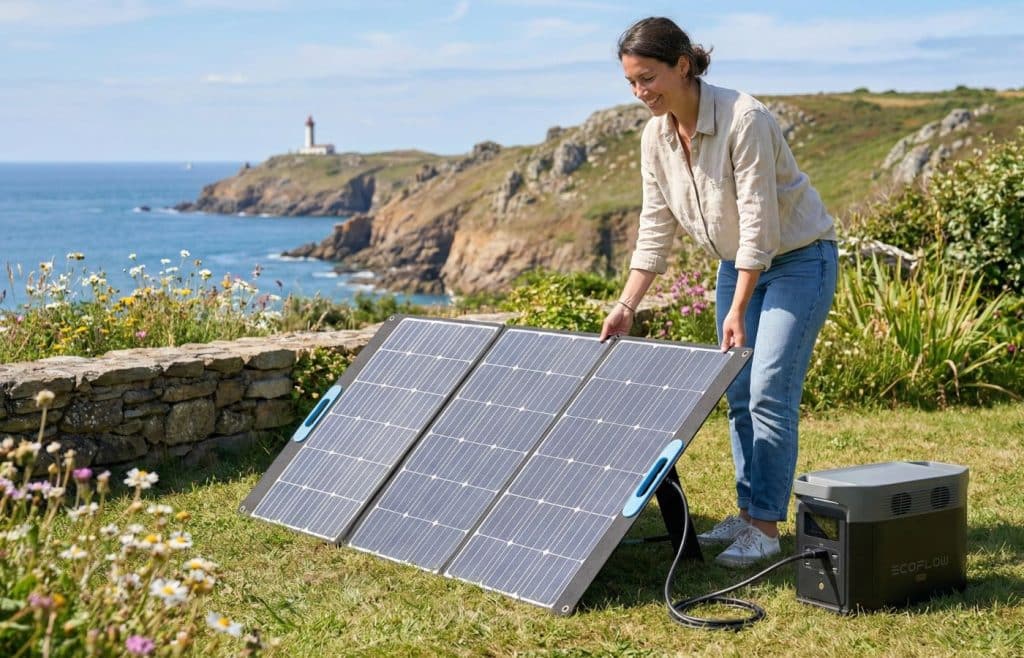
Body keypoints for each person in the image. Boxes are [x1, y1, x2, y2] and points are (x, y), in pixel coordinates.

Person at [600, 16, 838, 568]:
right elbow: (655, 226)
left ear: (683, 65)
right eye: (631, 82)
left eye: (648, 78)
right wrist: (625, 305)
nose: (640, 93)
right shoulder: (654, 137)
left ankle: (766, 527)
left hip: (798, 262)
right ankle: (747, 511)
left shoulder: (744, 117)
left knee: (769, 391)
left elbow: (760, 223)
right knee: (735, 396)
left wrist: (735, 308)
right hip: (738, 267)